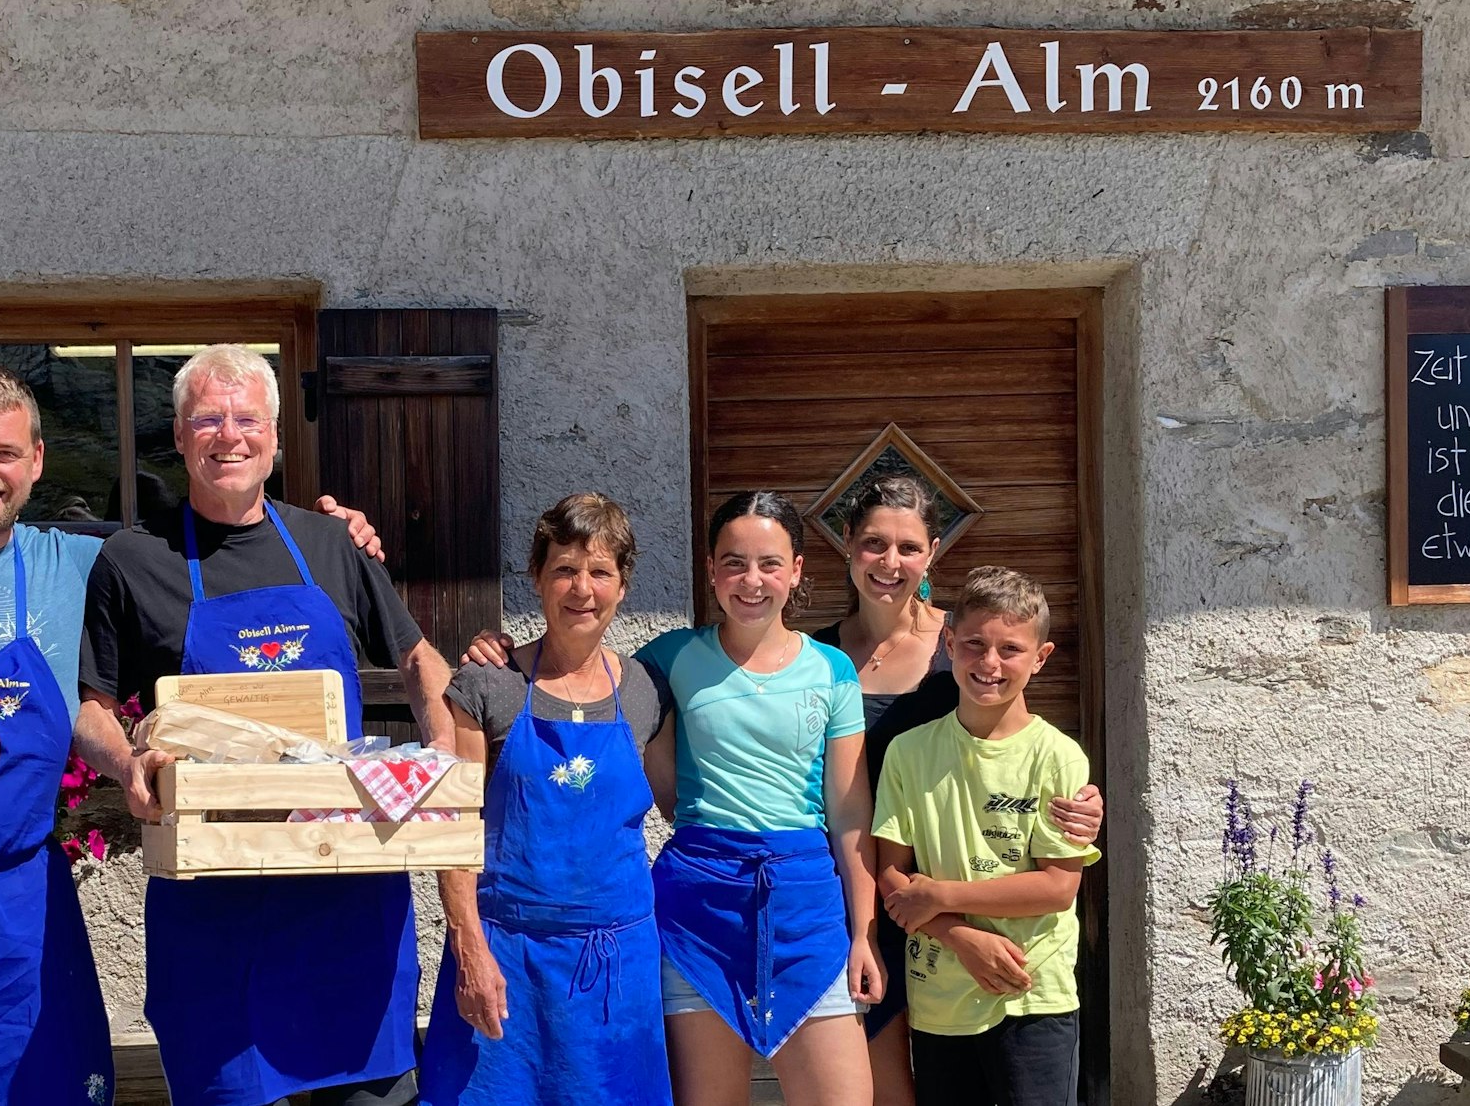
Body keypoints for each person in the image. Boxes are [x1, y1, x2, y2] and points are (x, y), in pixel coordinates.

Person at [0, 362, 383, 1104]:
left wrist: (332, 535)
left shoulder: (84, 562)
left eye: (6, 453)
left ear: (36, 462)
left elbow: (218, 551)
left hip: (24, 896)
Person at [81, 343, 456, 1106]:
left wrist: (442, 753)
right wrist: (126, 765)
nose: (230, 436)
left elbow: (421, 663)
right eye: (208, 419)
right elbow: (89, 705)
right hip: (215, 918)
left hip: (347, 905)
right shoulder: (131, 559)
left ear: (277, 437)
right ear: (180, 436)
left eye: (247, 418)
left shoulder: (330, 546)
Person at [814, 474, 1102, 1106]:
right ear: (847, 546)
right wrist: (947, 926)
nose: (891, 563)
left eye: (908, 547)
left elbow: (1021, 751)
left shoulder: (969, 642)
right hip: (860, 891)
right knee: (881, 1086)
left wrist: (1085, 805)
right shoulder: (816, 657)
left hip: (955, 898)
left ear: (933, 552)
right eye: (873, 543)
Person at [418, 493, 675, 1106]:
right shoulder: (489, 684)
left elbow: (681, 809)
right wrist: (470, 949)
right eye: (564, 568)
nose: (581, 588)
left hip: (618, 968)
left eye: (600, 571)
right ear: (536, 578)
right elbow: (454, 828)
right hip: (506, 957)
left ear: (623, 586)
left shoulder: (646, 690)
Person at [640, 491, 882, 1106]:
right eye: (734, 562)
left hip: (808, 907)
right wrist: (498, 654)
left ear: (797, 569)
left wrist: (864, 934)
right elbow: (580, 675)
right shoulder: (668, 658)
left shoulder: (833, 671)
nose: (752, 581)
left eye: (770, 563)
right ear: (712, 571)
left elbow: (850, 813)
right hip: (700, 909)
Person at [873, 566, 1100, 1106]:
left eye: (1011, 649)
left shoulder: (1058, 757)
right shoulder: (909, 752)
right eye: (974, 644)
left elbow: (1056, 888)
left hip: (1033, 995)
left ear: (1040, 658)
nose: (990, 664)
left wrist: (941, 896)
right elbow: (891, 875)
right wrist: (959, 935)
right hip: (940, 998)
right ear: (949, 643)